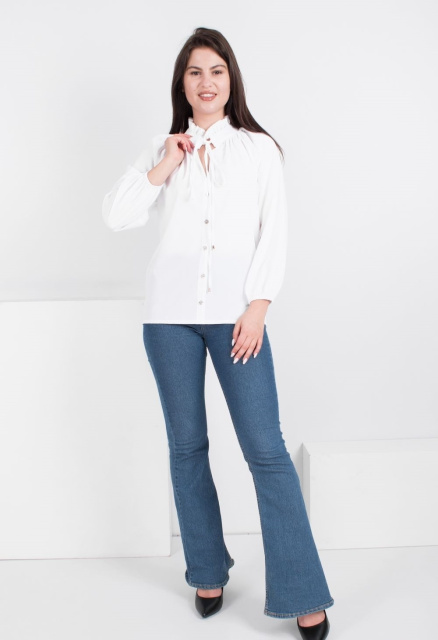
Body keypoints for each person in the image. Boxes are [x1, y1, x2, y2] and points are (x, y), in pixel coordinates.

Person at [102, 26, 334, 640]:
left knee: (265, 450)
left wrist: (258, 307)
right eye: (195, 72)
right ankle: (206, 570)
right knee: (186, 447)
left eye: (217, 71)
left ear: (231, 81)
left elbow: (274, 232)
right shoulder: (162, 148)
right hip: (168, 319)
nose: (206, 82)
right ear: (182, 84)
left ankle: (302, 591)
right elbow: (116, 214)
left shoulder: (259, 149)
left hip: (237, 319)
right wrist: (167, 162)